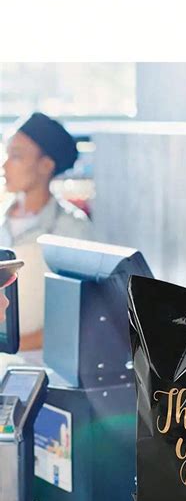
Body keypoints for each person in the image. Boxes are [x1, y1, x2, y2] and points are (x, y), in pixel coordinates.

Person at [0, 112, 92, 350]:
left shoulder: (72, 228)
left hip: (40, 362)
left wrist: (13, 346)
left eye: (16, 156)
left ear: (46, 165)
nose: (4, 165)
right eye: (7, 154)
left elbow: (79, 317)